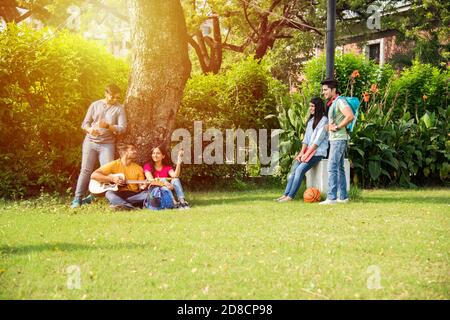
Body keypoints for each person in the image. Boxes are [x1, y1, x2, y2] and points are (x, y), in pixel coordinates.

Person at [71, 84, 127, 208]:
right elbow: (84, 124)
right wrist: (90, 130)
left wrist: (108, 126)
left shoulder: (119, 109)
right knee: (85, 170)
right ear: (106, 94)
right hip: (90, 142)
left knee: (107, 172)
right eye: (112, 97)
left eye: (117, 98)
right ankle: (77, 199)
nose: (115, 100)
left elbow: (123, 128)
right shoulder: (95, 105)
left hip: (107, 144)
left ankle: (95, 195)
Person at [276, 97, 328, 202]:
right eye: (310, 106)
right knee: (294, 168)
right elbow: (306, 139)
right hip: (308, 151)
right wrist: (301, 153)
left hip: (317, 153)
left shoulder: (324, 121)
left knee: (300, 170)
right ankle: (285, 194)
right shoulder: (311, 121)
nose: (310, 108)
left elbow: (317, 141)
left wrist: (306, 154)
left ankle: (290, 197)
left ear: (318, 107)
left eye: (312, 106)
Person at [319, 78, 354, 205]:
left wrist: (337, 127)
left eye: (326, 89)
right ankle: (343, 197)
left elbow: (350, 116)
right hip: (337, 139)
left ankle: (331, 198)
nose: (324, 92)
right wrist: (329, 127)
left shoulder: (340, 101)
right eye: (323, 90)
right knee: (338, 168)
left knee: (332, 167)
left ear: (333, 90)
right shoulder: (334, 102)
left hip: (339, 139)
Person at [91, 143, 148, 210]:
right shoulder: (114, 164)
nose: (135, 151)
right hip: (118, 193)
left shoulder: (138, 168)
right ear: (125, 152)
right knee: (109, 193)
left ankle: (120, 204)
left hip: (134, 195)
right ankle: (130, 207)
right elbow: (94, 175)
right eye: (132, 149)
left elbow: (141, 186)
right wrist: (112, 179)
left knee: (148, 194)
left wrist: (143, 186)